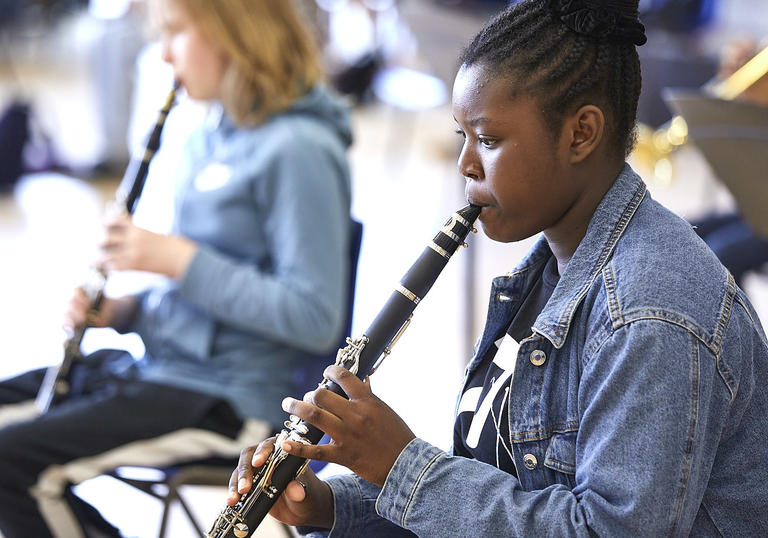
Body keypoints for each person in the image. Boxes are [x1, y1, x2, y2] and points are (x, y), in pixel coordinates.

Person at [230, 0, 768, 536]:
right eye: (462, 135)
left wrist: (402, 465)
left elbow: (605, 530)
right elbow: (504, 485)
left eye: (487, 140)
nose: (465, 163)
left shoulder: (651, 315)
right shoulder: (549, 272)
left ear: (581, 134)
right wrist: (332, 502)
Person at [0, 0, 353, 535]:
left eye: (175, 33)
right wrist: (123, 312)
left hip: (230, 401)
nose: (163, 55)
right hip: (161, 371)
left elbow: (315, 315)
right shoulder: (208, 136)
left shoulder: (300, 148)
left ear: (236, 33)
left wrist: (179, 260)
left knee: (12, 463)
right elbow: (200, 301)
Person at [690, 37, 768, 287]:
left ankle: (735, 325)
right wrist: (741, 94)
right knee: (685, 234)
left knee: (720, 255)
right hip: (757, 210)